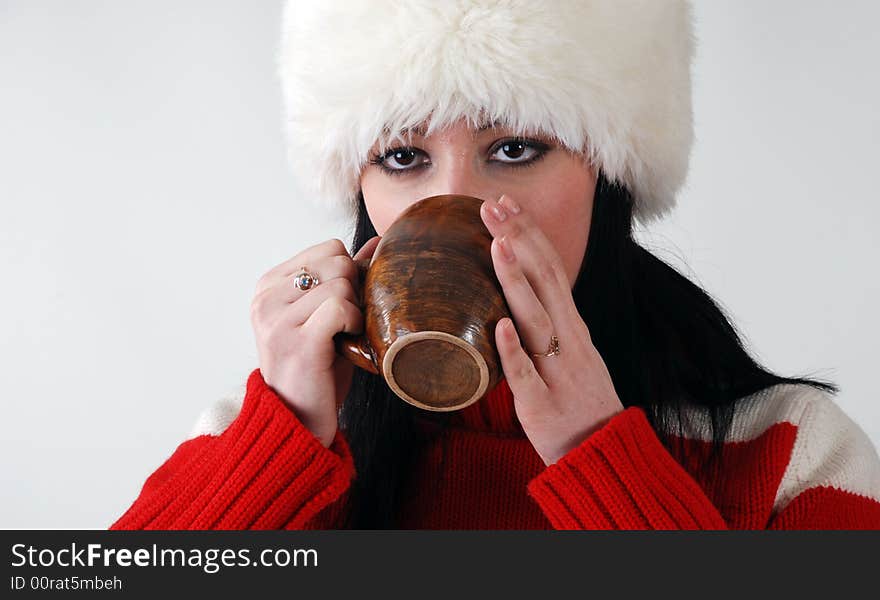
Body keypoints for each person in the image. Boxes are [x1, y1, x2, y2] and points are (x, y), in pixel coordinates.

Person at [111, 0, 880, 530]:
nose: (459, 203)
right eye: (404, 156)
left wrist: (602, 462)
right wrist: (279, 447)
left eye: (514, 148)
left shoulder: (792, 451)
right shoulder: (256, 445)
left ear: (606, 174)